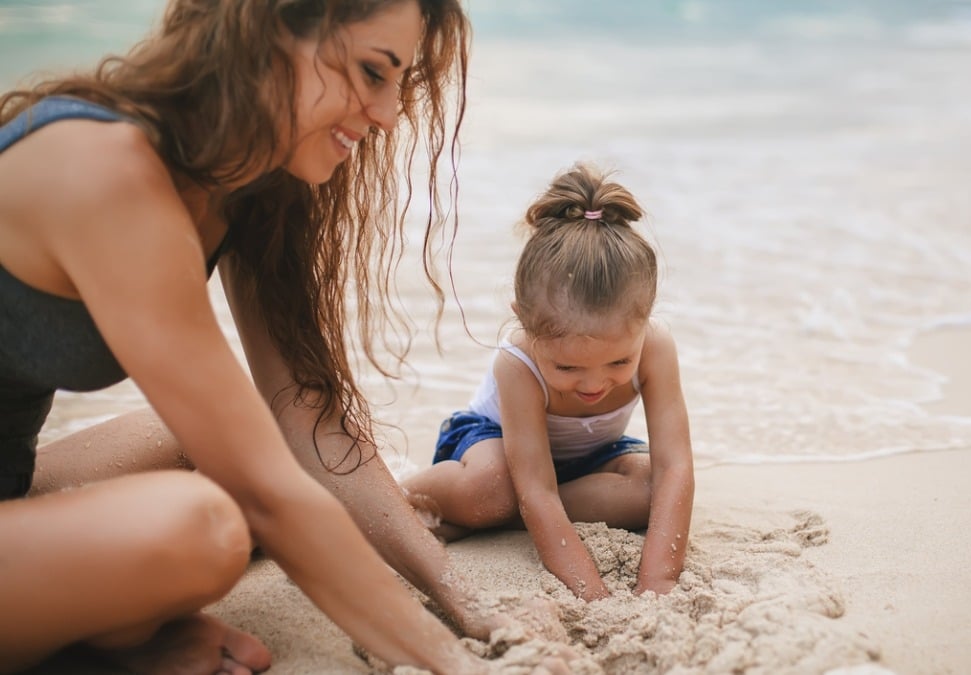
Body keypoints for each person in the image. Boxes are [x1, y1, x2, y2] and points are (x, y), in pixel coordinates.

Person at [0, 1, 570, 673]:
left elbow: (307, 422)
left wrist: (461, 599)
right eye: (370, 71)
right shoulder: (106, 168)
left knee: (216, 448)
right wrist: (456, 665)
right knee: (203, 526)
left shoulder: (239, 187)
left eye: (397, 84)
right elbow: (274, 493)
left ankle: (82, 629)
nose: (388, 114)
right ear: (268, 29)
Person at [402, 163, 696, 601]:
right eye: (567, 368)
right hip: (495, 447)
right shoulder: (516, 363)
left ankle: (502, 519)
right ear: (523, 320)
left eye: (618, 361)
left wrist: (659, 581)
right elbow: (536, 487)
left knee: (650, 489)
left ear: (646, 321)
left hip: (587, 459)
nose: (594, 383)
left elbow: (676, 468)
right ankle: (398, 496)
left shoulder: (656, 347)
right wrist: (588, 590)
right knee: (494, 492)